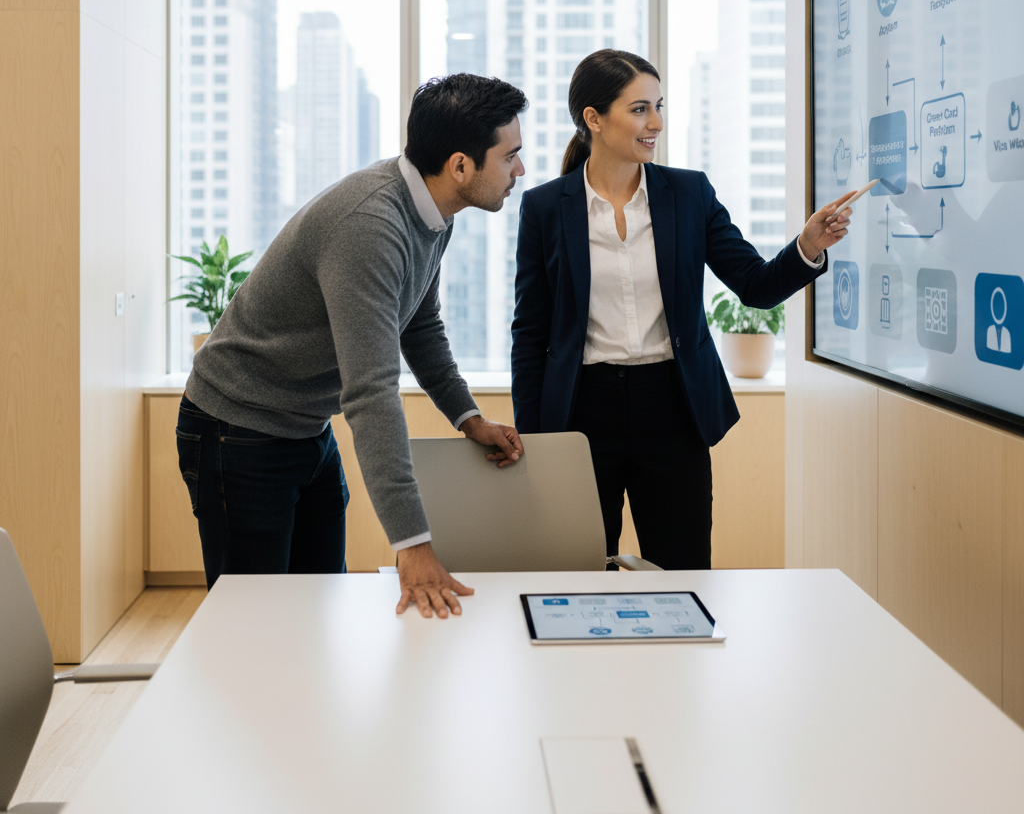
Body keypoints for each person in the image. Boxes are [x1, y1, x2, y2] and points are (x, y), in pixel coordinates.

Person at [178, 73, 527, 618]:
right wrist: (412, 544)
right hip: (237, 429)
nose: (519, 171)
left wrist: (468, 417)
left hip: (305, 428)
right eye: (510, 157)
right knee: (251, 625)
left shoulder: (435, 215)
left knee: (318, 610)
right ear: (460, 166)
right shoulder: (370, 225)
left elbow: (419, 325)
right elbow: (370, 392)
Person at [511, 50, 854, 570]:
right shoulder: (543, 207)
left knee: (682, 573)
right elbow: (531, 333)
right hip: (581, 414)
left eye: (659, 106)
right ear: (594, 119)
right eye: (641, 109)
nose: (657, 124)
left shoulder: (690, 194)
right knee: (575, 574)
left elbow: (755, 285)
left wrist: (807, 245)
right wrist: (535, 442)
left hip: (672, 409)